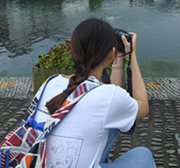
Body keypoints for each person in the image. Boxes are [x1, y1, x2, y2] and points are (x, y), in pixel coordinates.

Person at [33, 18, 155, 168]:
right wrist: (132, 56)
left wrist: (117, 58)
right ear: (111, 52)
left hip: (33, 162)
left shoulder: (50, 83)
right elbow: (142, 106)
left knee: (110, 127)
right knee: (143, 155)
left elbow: (113, 99)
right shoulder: (107, 98)